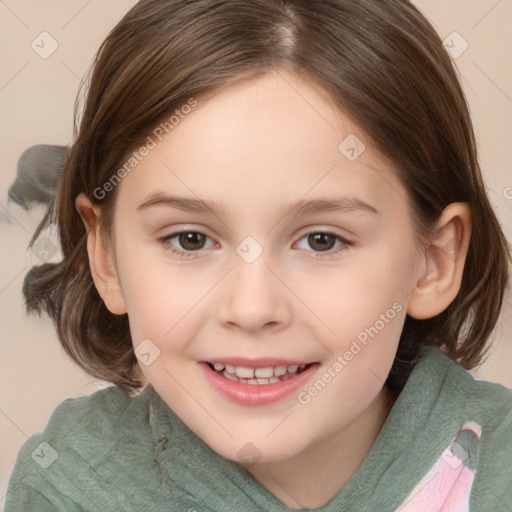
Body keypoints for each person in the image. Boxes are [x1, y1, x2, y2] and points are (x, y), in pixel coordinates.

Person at [5, 0, 512, 510]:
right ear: (108, 258)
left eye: (322, 240)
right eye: (190, 239)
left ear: (433, 260)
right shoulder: (68, 485)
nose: (251, 308)